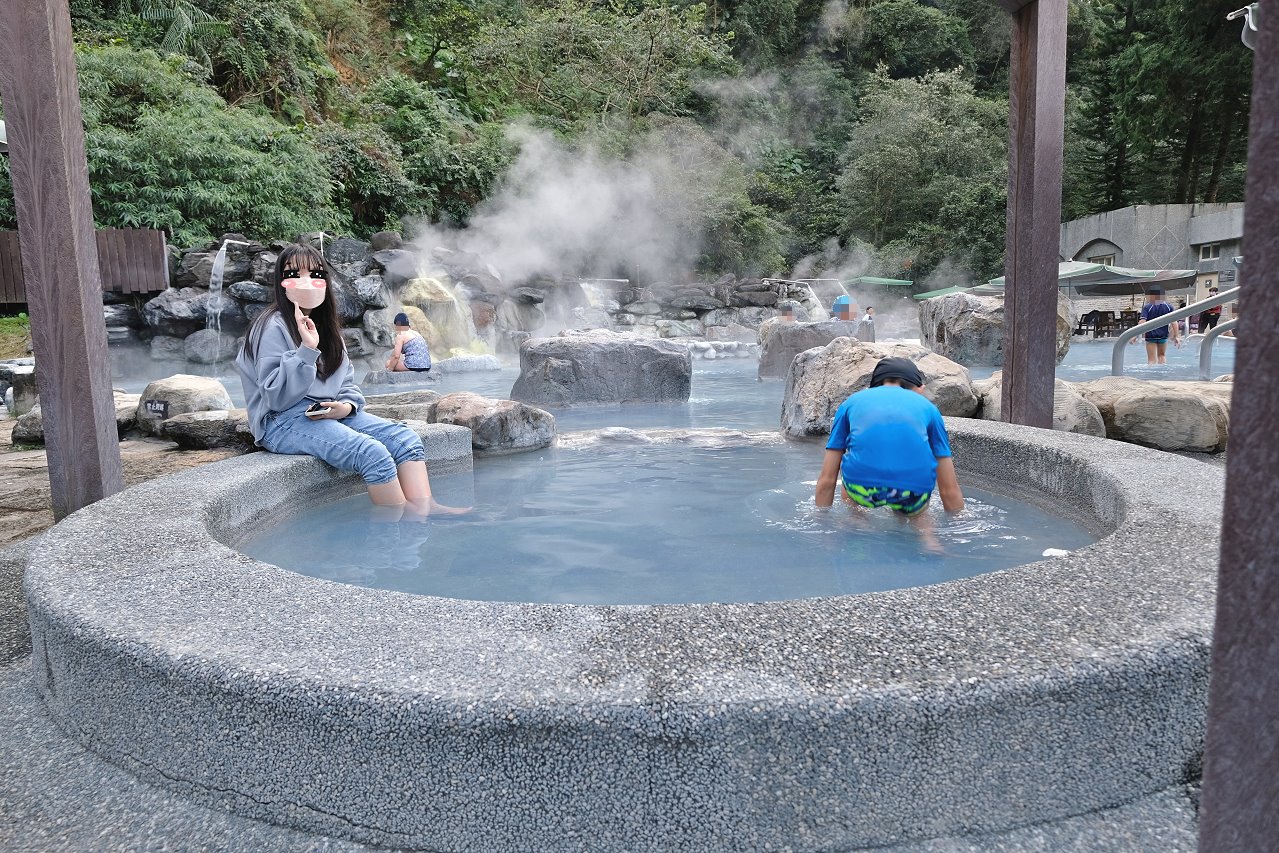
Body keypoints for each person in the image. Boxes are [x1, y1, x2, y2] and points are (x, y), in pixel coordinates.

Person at [237, 243, 453, 515]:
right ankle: (400, 531)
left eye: (315, 274)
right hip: (280, 421)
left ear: (326, 283)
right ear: (281, 282)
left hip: (327, 411)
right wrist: (306, 349)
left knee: (406, 440)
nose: (307, 282)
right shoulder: (271, 325)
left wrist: (347, 407)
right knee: (372, 454)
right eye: (295, 274)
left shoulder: (328, 328)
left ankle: (425, 510)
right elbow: (276, 398)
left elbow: (347, 384)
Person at [815, 357, 964, 552]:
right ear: (919, 388)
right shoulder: (929, 408)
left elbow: (827, 478)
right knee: (919, 512)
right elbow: (948, 489)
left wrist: (821, 522)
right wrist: (960, 523)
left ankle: (856, 519)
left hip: (862, 490)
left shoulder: (850, 403)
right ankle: (927, 535)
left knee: (849, 481)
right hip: (911, 491)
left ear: (873, 387)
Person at [1138, 285, 1181, 365]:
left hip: (1151, 336)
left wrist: (1135, 335)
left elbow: (1142, 322)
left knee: (1151, 359)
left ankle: (1152, 376)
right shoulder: (1169, 307)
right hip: (1163, 336)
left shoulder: (1147, 307)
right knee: (1162, 356)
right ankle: (1163, 376)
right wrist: (1176, 336)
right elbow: (1174, 322)